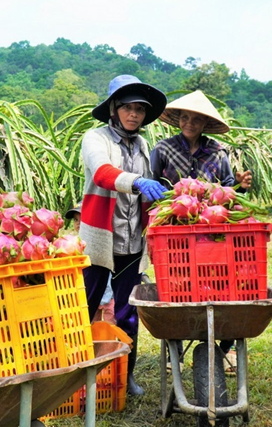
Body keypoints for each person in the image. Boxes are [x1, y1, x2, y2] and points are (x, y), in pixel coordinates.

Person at [151, 89, 252, 374]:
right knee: (178, 284)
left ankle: (226, 347)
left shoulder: (218, 152)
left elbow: (229, 190)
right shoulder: (162, 149)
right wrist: (177, 203)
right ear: (177, 120)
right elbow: (152, 188)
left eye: (196, 119)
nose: (189, 123)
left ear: (205, 123)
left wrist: (241, 186)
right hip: (174, 231)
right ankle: (175, 351)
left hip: (213, 230)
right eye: (184, 118)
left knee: (224, 282)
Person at [79, 74, 167, 396]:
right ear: (114, 108)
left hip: (132, 241)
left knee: (128, 311)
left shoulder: (143, 145)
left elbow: (149, 188)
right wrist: (137, 181)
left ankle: (125, 374)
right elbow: (102, 173)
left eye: (140, 110)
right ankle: (77, 375)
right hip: (101, 239)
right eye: (127, 107)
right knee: (86, 306)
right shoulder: (95, 138)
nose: (133, 115)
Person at [66, 202, 115, 324]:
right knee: (91, 321)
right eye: (76, 220)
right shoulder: (73, 244)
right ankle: (94, 342)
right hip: (89, 289)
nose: (78, 223)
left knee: (112, 321)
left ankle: (112, 342)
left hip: (109, 290)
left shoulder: (103, 240)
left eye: (82, 219)